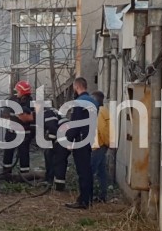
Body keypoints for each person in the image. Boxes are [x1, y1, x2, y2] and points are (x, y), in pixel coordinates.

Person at [64, 77, 98, 210]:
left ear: (76, 87)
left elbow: (75, 123)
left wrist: (68, 139)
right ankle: (87, 198)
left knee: (82, 171)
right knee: (87, 170)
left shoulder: (79, 102)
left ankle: (83, 201)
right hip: (89, 138)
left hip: (80, 139)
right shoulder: (93, 101)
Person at [1, 80, 34, 179]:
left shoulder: (31, 103)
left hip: (24, 134)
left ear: (23, 91)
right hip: (11, 133)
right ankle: (6, 174)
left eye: (18, 91)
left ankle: (25, 176)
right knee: (8, 154)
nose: (16, 92)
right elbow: (4, 114)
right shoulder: (11, 100)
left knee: (24, 155)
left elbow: (32, 118)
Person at [40, 104, 70, 191]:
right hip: (64, 136)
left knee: (59, 161)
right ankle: (49, 180)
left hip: (63, 138)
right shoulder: (52, 111)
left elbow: (53, 129)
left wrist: (49, 140)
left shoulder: (47, 113)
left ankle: (59, 187)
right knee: (49, 155)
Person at [91, 90, 111, 203]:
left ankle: (89, 194)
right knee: (101, 171)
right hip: (101, 144)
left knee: (91, 170)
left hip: (98, 145)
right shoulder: (104, 111)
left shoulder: (100, 111)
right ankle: (103, 195)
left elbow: (102, 129)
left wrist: (107, 143)